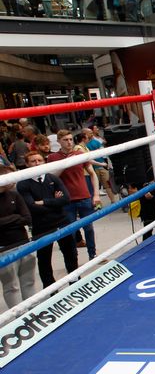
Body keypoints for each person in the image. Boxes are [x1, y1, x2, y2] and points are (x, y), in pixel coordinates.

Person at [16, 152, 79, 288]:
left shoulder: (52, 178)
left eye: (39, 160)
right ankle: (50, 287)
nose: (37, 163)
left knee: (71, 253)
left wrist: (43, 202)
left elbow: (65, 199)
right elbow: (32, 207)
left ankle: (75, 281)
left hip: (62, 222)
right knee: (44, 258)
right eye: (33, 161)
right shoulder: (23, 184)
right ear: (27, 164)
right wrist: (54, 202)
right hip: (41, 226)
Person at [47, 130, 101, 260]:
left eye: (71, 139)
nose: (69, 142)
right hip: (66, 200)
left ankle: (92, 255)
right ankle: (73, 258)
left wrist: (96, 195)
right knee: (69, 231)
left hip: (84, 196)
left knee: (88, 228)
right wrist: (66, 163)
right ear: (59, 141)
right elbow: (51, 178)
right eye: (65, 140)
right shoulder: (52, 157)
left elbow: (92, 174)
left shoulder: (79, 154)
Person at [0, 165, 36, 308]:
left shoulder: (15, 194)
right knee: (11, 286)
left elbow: (27, 218)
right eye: (11, 176)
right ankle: (18, 317)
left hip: (23, 243)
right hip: (4, 248)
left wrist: (6, 221)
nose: (14, 179)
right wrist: (15, 217)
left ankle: (34, 312)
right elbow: (20, 218)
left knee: (29, 281)